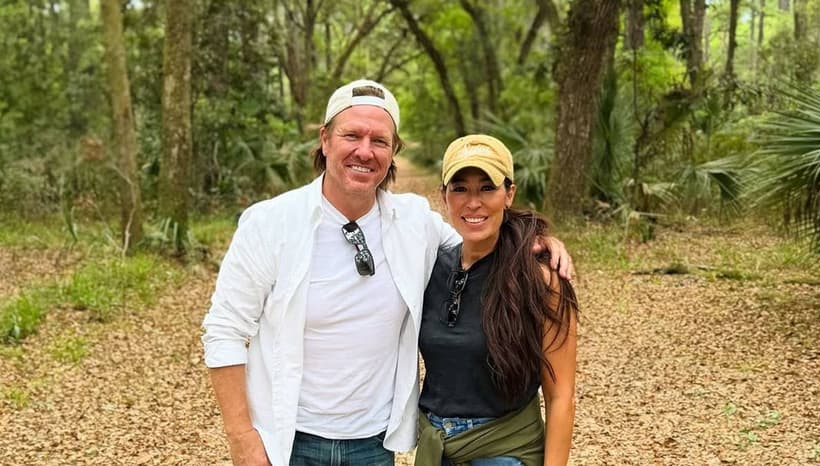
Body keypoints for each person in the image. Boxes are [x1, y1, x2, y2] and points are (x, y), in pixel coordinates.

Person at [202, 79, 574, 466]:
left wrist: (539, 241)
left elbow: (481, 236)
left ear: (393, 151)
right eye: (352, 135)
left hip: (375, 443)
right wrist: (243, 440)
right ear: (325, 139)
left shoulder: (414, 224)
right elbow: (225, 330)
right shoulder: (270, 224)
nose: (365, 151)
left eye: (379, 141)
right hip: (288, 441)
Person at [415, 135, 579, 466]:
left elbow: (562, 397)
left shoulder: (539, 279)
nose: (473, 202)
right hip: (436, 449)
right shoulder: (430, 267)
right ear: (443, 195)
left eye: (487, 188)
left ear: (509, 194)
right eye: (460, 188)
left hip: (504, 452)